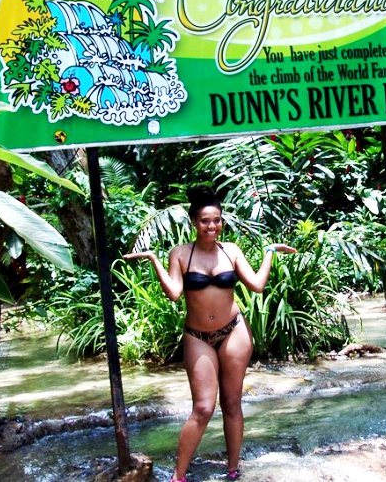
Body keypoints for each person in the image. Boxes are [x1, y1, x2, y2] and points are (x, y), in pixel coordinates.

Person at [122, 185, 295, 482]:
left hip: (233, 331)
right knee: (203, 408)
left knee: (231, 403)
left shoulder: (231, 251)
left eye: (216, 220)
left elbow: (256, 285)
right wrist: (153, 260)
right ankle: (178, 476)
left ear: (221, 222)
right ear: (194, 222)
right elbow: (175, 293)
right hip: (198, 336)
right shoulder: (181, 254)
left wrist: (269, 252)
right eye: (205, 221)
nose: (211, 226)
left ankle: (233, 470)